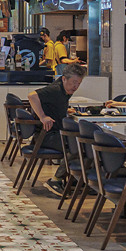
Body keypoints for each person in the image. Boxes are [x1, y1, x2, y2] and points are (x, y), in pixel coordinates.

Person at [29, 62, 86, 197]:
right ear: (64, 78)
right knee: (78, 146)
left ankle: (74, 179)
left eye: (78, 83)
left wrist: (65, 110)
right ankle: (55, 180)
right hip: (46, 136)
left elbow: (52, 105)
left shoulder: (65, 90)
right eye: (74, 82)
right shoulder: (55, 89)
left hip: (55, 133)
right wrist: (43, 117)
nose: (76, 86)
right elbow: (32, 96)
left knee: (83, 143)